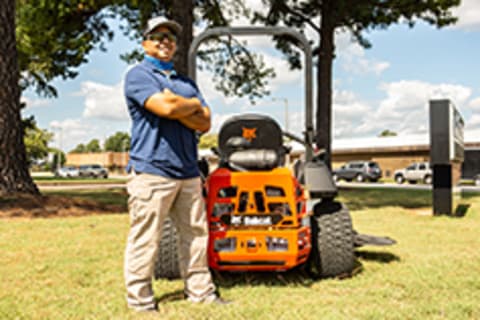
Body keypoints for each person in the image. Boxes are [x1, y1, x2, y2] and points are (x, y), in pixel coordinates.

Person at [123, 16, 226, 312]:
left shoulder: (185, 82)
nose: (165, 41)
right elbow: (165, 107)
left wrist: (184, 104)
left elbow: (205, 122)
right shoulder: (138, 75)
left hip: (188, 172)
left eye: (170, 37)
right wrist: (187, 105)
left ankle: (201, 293)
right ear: (145, 43)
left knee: (195, 236)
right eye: (157, 36)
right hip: (152, 171)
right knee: (146, 239)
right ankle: (141, 302)